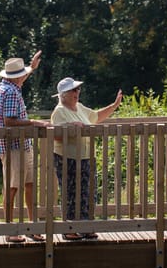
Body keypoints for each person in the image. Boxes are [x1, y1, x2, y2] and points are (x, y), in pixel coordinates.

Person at [50, 77, 123, 240]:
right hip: (66, 157)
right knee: (70, 193)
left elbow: (96, 116)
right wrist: (70, 127)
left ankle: (86, 226)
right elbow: (56, 136)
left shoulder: (80, 107)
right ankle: (69, 229)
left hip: (86, 157)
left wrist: (114, 105)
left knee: (88, 192)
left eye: (77, 89)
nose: (77, 92)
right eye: (73, 90)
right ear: (63, 94)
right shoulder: (59, 111)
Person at [0, 51, 50, 243]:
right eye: (23, 75)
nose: (24, 78)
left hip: (21, 145)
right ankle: (10, 230)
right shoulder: (10, 92)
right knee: (13, 187)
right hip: (14, 147)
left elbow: (21, 78)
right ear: (17, 77)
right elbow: (9, 121)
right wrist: (34, 123)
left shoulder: (4, 87)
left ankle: (31, 228)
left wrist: (32, 68)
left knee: (29, 185)